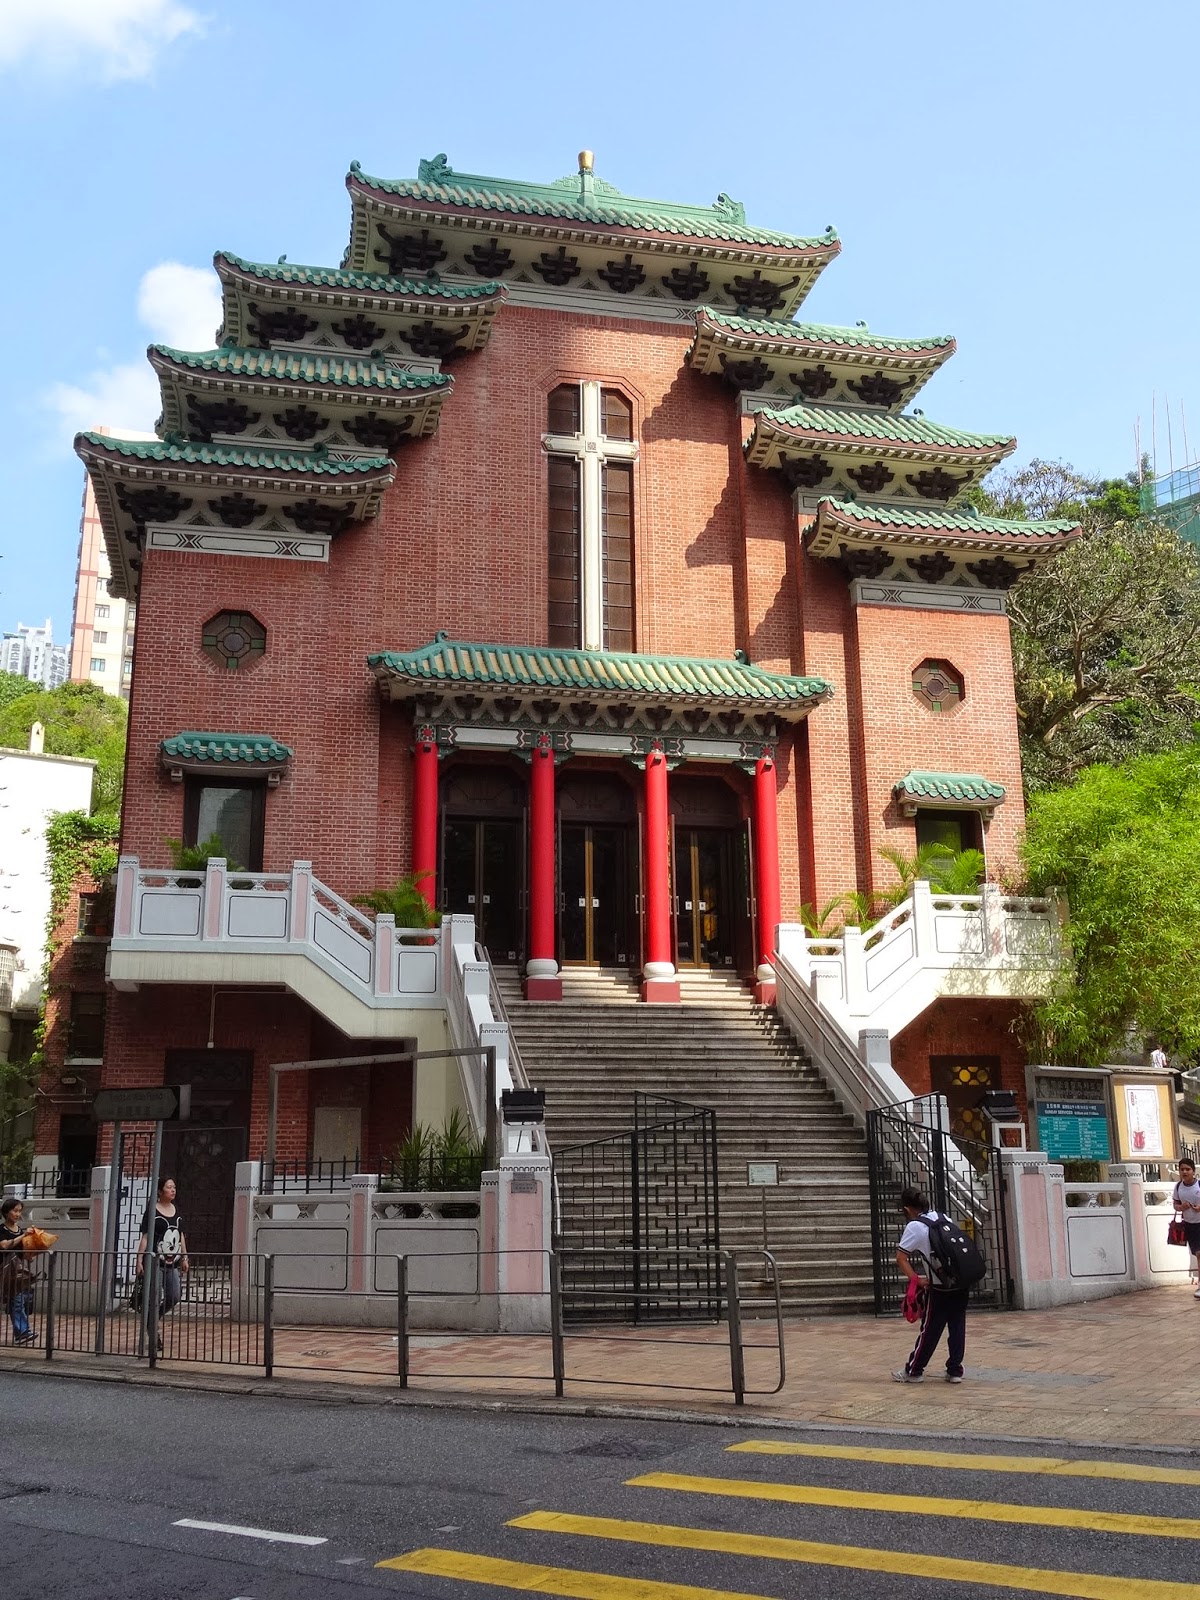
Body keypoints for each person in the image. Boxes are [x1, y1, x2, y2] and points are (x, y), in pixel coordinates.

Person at [892, 1185, 969, 1384]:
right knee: (957, 1326)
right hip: (960, 1281)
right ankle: (954, 1371)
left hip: (939, 1286)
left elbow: (901, 1258)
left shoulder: (915, 1226)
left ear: (907, 1209)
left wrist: (917, 1279)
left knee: (930, 1330)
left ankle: (914, 1370)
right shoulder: (943, 1218)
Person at [136, 1177, 189, 1348]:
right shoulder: (152, 1211)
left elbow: (181, 1236)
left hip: (172, 1262)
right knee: (154, 1296)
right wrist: (139, 1260)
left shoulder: (177, 1210)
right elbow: (145, 1236)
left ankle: (152, 1318)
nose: (173, 1190)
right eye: (169, 1187)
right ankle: (154, 1335)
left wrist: (185, 1257)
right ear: (160, 1191)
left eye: (174, 1187)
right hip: (154, 1261)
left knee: (174, 1296)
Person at [0, 1196, 36, 1346]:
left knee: (18, 1301)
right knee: (15, 1301)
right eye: (15, 1211)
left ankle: (22, 1332)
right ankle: (21, 1332)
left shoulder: (20, 1230)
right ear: (7, 1212)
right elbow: (4, 1246)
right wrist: (23, 1236)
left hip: (18, 1273)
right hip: (4, 1272)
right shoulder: (2, 1229)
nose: (17, 1214)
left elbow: (23, 1253)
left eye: (19, 1211)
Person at [1172, 1158, 1200, 1299]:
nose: (1184, 1172)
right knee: (1197, 1254)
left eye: (1187, 1169)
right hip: (1189, 1225)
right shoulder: (1178, 1187)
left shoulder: (1199, 1185)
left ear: (1193, 1171)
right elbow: (1175, 1204)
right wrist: (1181, 1207)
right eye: (1182, 1169)